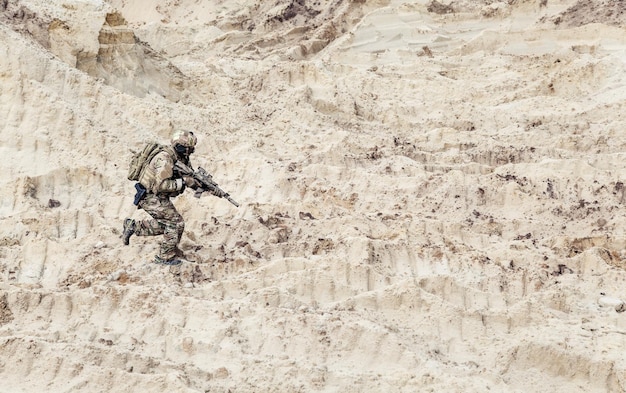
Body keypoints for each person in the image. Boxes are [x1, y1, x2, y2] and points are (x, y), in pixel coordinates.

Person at [122, 130, 200, 266]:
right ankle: (164, 257)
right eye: (189, 149)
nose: (191, 152)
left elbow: (190, 175)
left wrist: (201, 185)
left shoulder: (180, 157)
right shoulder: (164, 159)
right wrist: (184, 182)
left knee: (172, 224)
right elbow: (161, 185)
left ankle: (134, 227)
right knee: (175, 223)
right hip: (149, 196)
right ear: (181, 147)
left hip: (158, 196)